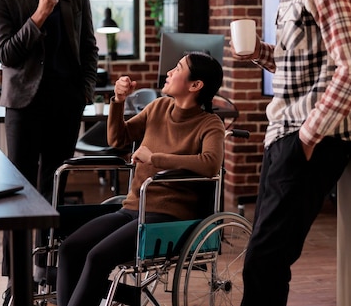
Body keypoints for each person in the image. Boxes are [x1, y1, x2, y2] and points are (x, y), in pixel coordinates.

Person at [233, 0, 351, 305]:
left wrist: (307, 138)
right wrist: (260, 53)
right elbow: (309, 68)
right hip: (287, 134)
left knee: (264, 261)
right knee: (265, 258)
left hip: (309, 138)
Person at [0, 0, 98, 301]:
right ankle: (18, 279)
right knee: (21, 194)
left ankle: (47, 274)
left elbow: (89, 48)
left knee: (54, 191)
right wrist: (38, 15)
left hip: (67, 105)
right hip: (24, 105)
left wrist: (85, 91)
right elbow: (5, 54)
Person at [56, 51, 226, 306]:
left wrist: (156, 158)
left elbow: (210, 163)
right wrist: (119, 100)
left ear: (195, 85)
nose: (169, 72)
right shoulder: (157, 107)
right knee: (70, 248)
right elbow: (117, 139)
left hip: (166, 216)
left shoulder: (209, 124)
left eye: (177, 68)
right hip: (132, 207)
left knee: (97, 257)